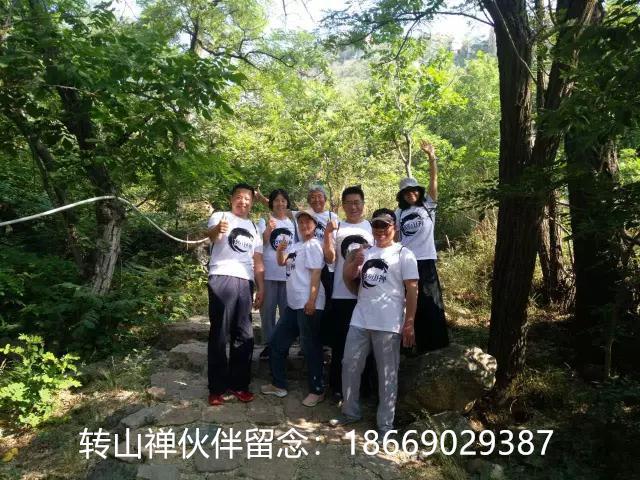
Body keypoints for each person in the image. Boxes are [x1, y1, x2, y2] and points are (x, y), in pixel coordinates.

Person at [330, 209, 418, 435]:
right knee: (349, 365)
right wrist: (354, 263)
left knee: (387, 374)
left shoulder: (404, 254)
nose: (380, 231)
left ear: (394, 227)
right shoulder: (366, 251)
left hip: (388, 324)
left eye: (384, 226)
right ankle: (350, 412)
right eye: (376, 226)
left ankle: (385, 426)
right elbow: (350, 279)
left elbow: (412, 290)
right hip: (360, 318)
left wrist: (409, 322)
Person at [205, 183, 265, 406]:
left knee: (244, 333)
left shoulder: (254, 227)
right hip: (221, 276)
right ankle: (216, 388)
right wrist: (217, 229)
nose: (243, 201)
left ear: (252, 202)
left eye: (247, 198)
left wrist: (261, 287)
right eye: (239, 197)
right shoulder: (220, 216)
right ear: (231, 199)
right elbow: (211, 236)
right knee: (220, 332)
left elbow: (257, 260)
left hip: (245, 281)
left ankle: (239, 385)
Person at [260, 209, 327, 407]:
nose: (304, 225)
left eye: (308, 222)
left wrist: (312, 300)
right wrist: (280, 250)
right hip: (293, 304)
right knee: (276, 342)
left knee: (310, 347)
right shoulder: (296, 246)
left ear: (314, 226)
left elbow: (316, 273)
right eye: (301, 222)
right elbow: (282, 263)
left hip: (308, 303)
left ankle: (317, 389)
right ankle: (278, 384)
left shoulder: (314, 245)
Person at [396, 140, 449, 353]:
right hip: (406, 262)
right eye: (406, 192)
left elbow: (434, 180)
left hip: (426, 260)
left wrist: (431, 157)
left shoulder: (428, 205)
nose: (411, 194)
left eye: (414, 190)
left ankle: (436, 346)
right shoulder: (399, 212)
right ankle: (412, 345)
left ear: (418, 191)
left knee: (431, 302)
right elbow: (395, 237)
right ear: (402, 195)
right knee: (410, 304)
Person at [323, 185, 373, 402]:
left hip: (366, 295)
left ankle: (364, 388)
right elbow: (329, 258)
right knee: (340, 344)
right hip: (342, 294)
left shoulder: (371, 227)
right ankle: (337, 387)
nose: (353, 207)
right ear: (343, 206)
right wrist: (327, 234)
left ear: (363, 204)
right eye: (349, 203)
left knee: (366, 345)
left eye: (357, 203)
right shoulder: (337, 227)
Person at [256, 189, 295, 360]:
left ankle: (282, 345)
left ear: (287, 203)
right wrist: (268, 230)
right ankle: (269, 344)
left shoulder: (293, 223)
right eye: (277, 200)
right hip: (269, 273)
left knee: (286, 312)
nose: (280, 203)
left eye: (283, 200)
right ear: (271, 203)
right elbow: (259, 244)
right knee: (267, 312)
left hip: (288, 275)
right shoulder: (264, 220)